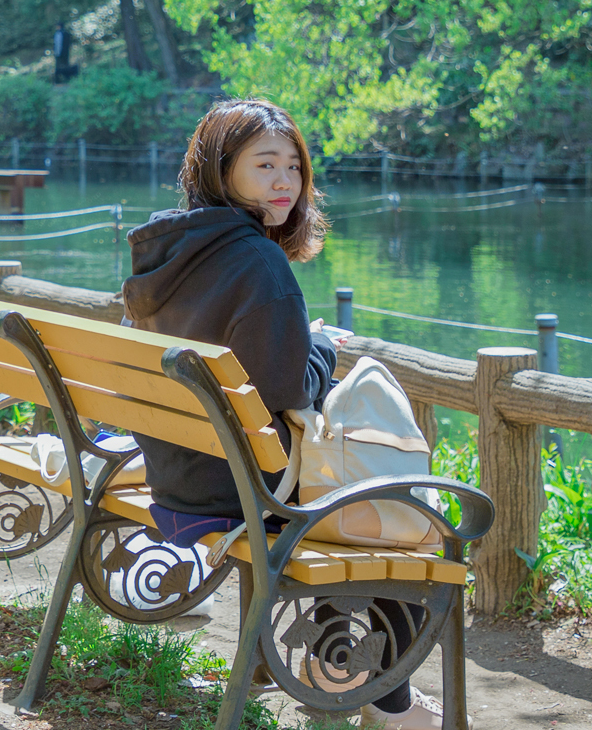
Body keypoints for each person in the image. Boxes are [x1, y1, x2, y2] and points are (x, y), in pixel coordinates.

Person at [121, 98, 457, 730]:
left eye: (294, 168)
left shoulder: (166, 250)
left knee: (346, 491)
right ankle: (393, 705)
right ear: (221, 171)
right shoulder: (257, 262)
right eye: (265, 165)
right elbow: (287, 390)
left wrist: (295, 339)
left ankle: (346, 673)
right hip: (240, 490)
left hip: (174, 472)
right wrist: (322, 346)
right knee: (383, 503)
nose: (285, 182)